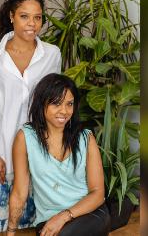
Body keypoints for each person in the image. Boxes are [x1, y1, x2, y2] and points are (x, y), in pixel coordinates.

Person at [0, 0, 61, 234]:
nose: (32, 24)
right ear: (11, 16)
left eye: (38, 17)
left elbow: (54, 105)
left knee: (34, 225)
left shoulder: (52, 55)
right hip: (1, 154)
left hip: (39, 156)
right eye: (24, 16)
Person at [6, 73, 110, 236]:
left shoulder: (85, 138)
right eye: (56, 104)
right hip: (49, 222)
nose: (64, 111)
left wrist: (64, 216)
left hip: (90, 215)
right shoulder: (26, 138)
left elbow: (98, 193)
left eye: (69, 104)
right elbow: (19, 192)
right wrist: (11, 231)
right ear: (42, 104)